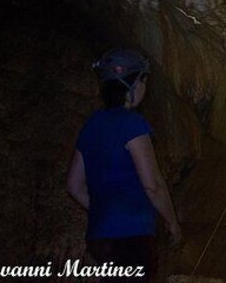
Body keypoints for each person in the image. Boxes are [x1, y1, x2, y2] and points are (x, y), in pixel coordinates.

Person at [66, 48, 181, 281]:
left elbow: (73, 186)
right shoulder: (132, 124)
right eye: (144, 81)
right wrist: (173, 224)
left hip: (100, 237)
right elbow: (153, 186)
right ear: (134, 84)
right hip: (133, 235)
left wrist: (104, 212)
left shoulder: (91, 125)